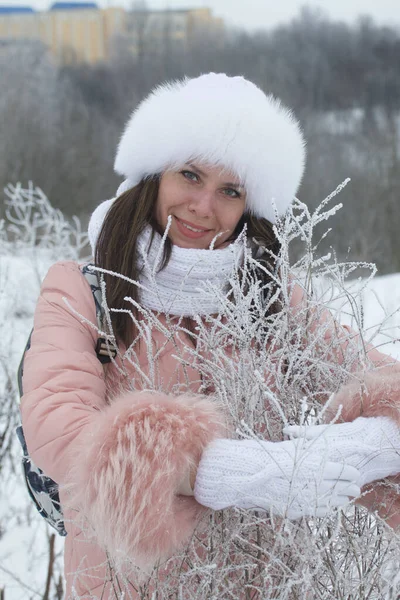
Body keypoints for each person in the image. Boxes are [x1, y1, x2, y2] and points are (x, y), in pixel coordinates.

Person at [20, 73, 400, 599]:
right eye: (190, 175)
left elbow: (369, 374)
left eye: (230, 190)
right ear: (153, 175)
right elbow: (58, 426)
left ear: (251, 206)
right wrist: (237, 472)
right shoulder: (82, 290)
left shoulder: (271, 298)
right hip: (129, 581)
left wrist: (368, 443)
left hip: (260, 580)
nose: (203, 205)